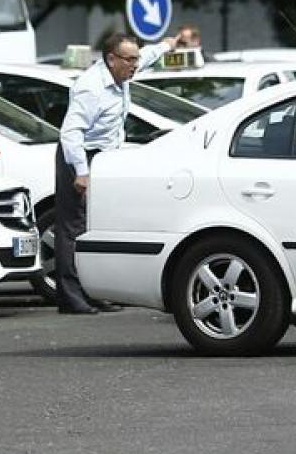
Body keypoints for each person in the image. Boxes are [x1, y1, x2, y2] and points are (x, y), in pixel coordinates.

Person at [54, 26, 197, 314]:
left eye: (135, 60)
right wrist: (81, 172)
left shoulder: (124, 69)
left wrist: (170, 44)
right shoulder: (90, 87)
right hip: (80, 155)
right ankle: (70, 296)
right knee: (73, 226)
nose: (135, 65)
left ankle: (93, 290)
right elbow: (71, 134)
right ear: (111, 59)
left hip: (104, 157)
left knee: (96, 225)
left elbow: (149, 54)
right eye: (129, 60)